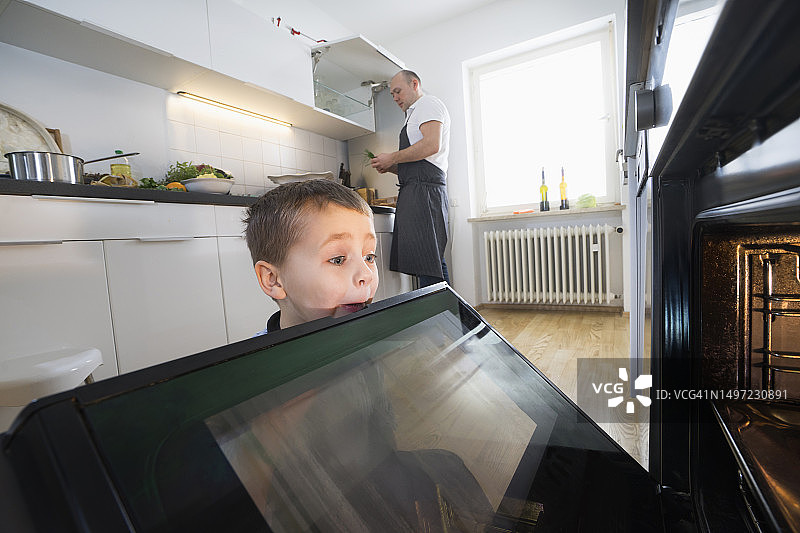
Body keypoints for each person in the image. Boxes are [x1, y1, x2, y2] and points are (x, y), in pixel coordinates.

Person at [243, 179, 379, 334]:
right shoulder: (261, 358)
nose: (366, 275)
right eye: (338, 260)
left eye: (369, 257)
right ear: (273, 280)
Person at [371, 69, 451, 288]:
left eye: (398, 91)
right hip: (417, 190)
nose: (395, 98)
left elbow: (431, 144)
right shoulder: (413, 114)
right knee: (428, 261)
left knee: (429, 262)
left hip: (425, 192)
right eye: (392, 94)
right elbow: (417, 164)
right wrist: (390, 167)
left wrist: (392, 157)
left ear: (414, 84)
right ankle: (446, 316)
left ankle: (448, 317)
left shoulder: (428, 104)